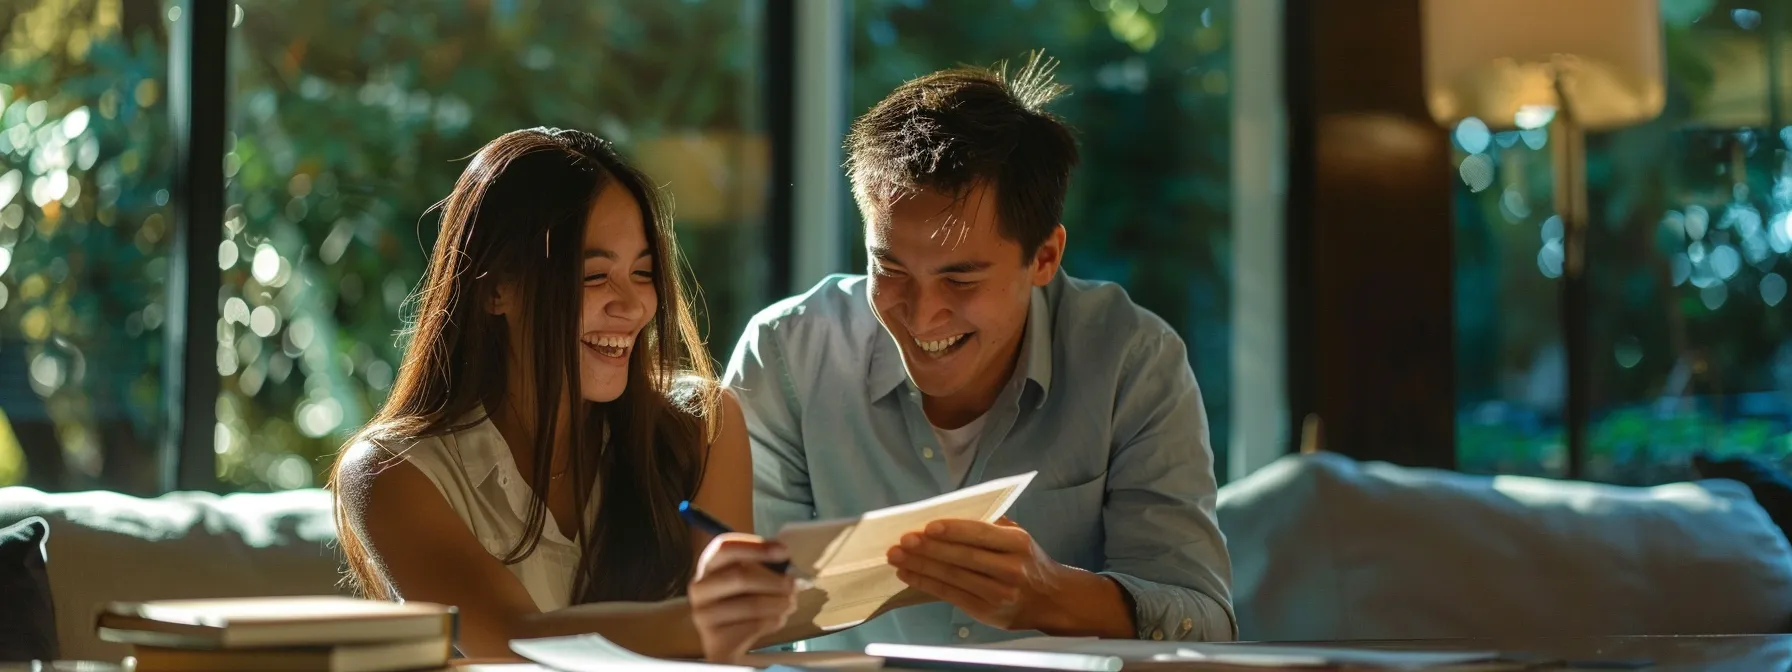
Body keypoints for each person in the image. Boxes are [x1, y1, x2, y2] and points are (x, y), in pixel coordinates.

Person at [724, 54, 1236, 650]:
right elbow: (736, 621)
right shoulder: (787, 352)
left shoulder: (1133, 362)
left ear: (1044, 258)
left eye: (961, 281)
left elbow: (1207, 621)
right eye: (888, 267)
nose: (921, 314)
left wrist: (1052, 594)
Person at [330, 128, 797, 663]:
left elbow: (731, 659)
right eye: (595, 276)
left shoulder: (701, 428)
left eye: (642, 273)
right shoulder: (392, 472)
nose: (633, 305)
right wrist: (702, 623)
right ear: (496, 288)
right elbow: (513, 638)